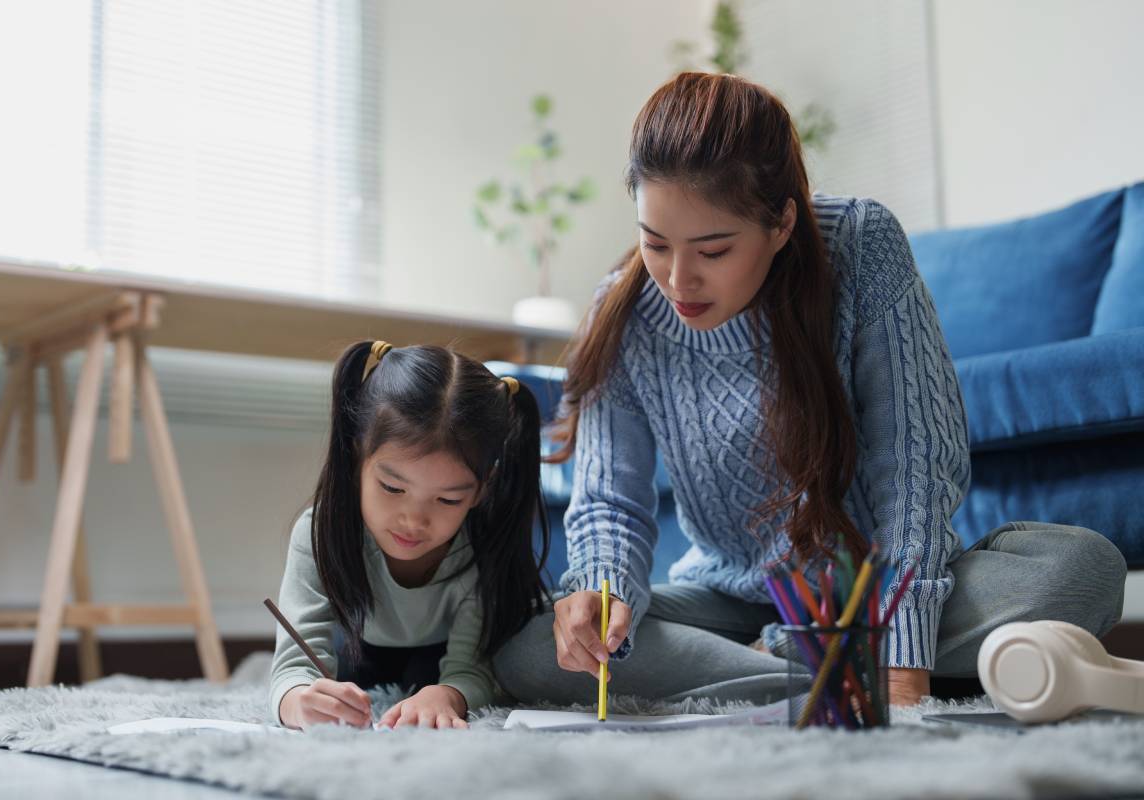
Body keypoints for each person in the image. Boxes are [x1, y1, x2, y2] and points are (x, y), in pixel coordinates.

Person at [493, 72, 1126, 708]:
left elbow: (914, 468)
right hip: (725, 602)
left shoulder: (860, 244)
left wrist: (905, 664)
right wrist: (600, 596)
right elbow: (610, 501)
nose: (677, 279)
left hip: (869, 591)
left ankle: (773, 665)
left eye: (713, 250)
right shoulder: (627, 310)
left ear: (781, 223)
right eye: (654, 243)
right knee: (527, 640)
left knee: (1081, 569)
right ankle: (805, 667)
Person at [270, 341, 549, 729]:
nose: (414, 521)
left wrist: (448, 693)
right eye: (393, 488)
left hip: (436, 656)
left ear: (482, 490)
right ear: (356, 461)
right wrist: (297, 700)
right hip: (352, 654)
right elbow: (293, 666)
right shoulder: (320, 531)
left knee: (427, 677)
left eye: (448, 499)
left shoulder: (482, 547)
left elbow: (473, 669)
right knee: (344, 676)